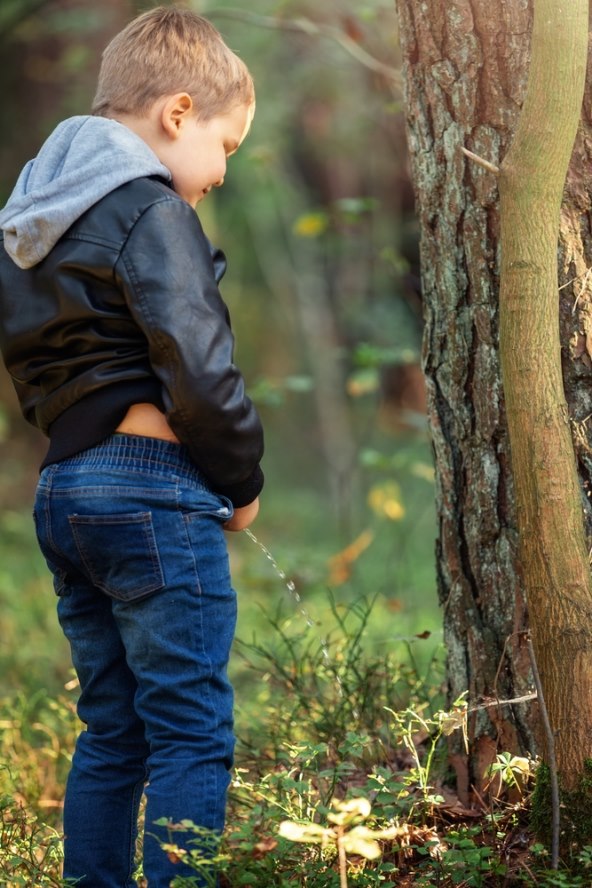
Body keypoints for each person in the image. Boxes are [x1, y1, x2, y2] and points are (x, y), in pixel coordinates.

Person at [0, 7, 264, 886]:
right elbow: (197, 358)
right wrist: (241, 475)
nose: (220, 173)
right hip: (149, 489)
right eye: (225, 147)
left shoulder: (32, 219)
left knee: (113, 728)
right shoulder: (151, 208)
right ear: (178, 114)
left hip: (65, 492)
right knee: (190, 728)